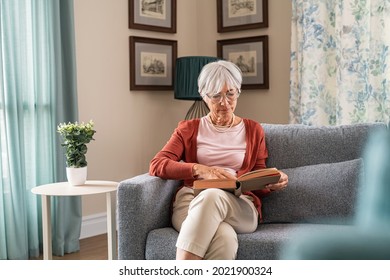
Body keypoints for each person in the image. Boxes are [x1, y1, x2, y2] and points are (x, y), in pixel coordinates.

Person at [149, 60, 288, 260]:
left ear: (238, 93)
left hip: (240, 205)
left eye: (230, 93)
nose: (225, 102)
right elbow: (157, 164)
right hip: (192, 201)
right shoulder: (188, 129)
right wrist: (200, 169)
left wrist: (273, 181)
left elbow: (258, 175)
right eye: (216, 96)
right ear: (204, 97)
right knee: (224, 237)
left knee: (213, 195)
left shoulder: (253, 130)